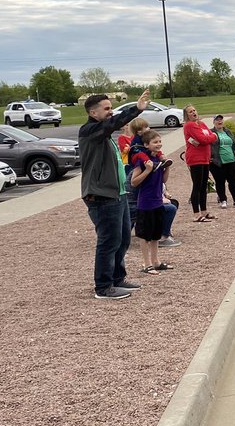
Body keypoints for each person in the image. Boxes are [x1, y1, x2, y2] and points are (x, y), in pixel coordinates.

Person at [79, 90, 150, 299]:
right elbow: (112, 123)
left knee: (122, 239)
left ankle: (118, 278)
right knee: (108, 241)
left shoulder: (105, 135)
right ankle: (103, 286)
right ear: (93, 112)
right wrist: (135, 109)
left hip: (117, 194)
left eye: (111, 108)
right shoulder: (90, 131)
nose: (111, 112)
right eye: (107, 109)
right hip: (101, 196)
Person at [129, 129, 175, 275]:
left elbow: (163, 180)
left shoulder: (158, 159)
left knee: (155, 234)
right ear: (146, 144)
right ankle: (146, 263)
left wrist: (166, 168)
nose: (158, 144)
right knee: (144, 235)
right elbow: (134, 182)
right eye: (155, 142)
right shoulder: (143, 161)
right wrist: (147, 170)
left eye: (160, 141)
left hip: (157, 202)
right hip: (145, 203)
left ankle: (156, 261)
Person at [182, 104, 218, 223]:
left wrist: (210, 137)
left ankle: (204, 211)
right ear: (187, 115)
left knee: (204, 186)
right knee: (197, 186)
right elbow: (203, 139)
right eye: (190, 112)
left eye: (194, 110)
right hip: (195, 158)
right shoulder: (189, 125)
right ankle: (196, 214)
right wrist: (210, 137)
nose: (193, 113)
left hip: (205, 157)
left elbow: (211, 135)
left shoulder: (201, 124)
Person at [210, 115, 235, 209]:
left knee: (233, 181)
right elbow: (208, 146)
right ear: (213, 122)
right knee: (220, 181)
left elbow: (234, 144)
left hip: (231, 160)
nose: (219, 121)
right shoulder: (211, 133)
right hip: (218, 162)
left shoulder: (227, 131)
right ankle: (223, 200)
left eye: (221, 119)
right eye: (217, 120)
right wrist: (211, 158)